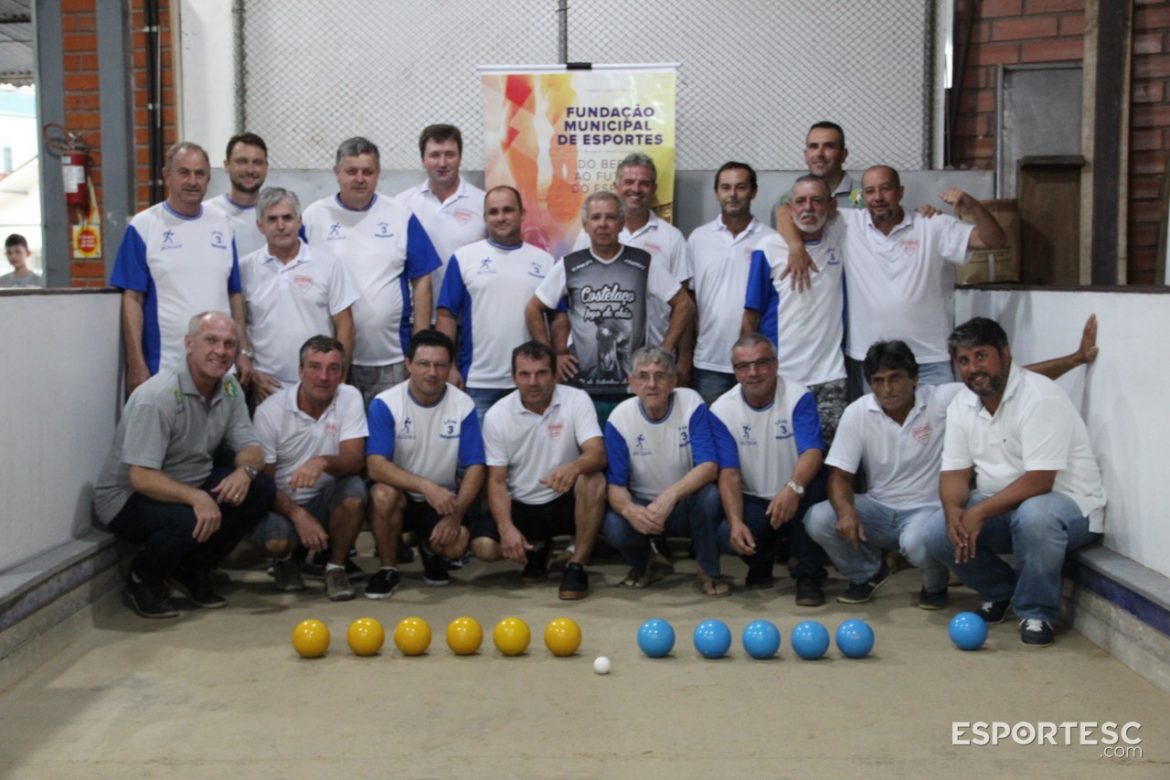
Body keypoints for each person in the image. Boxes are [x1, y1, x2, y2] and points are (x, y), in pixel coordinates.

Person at [805, 319, 1100, 610]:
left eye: (895, 378)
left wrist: (1075, 359)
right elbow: (842, 475)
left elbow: (1013, 381)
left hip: (1035, 505)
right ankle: (871, 575)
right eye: (878, 381)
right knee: (821, 518)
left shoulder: (948, 398)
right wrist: (846, 512)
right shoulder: (861, 412)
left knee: (936, 533)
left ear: (915, 378)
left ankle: (999, 604)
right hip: (880, 510)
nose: (888, 389)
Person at [925, 317, 1106, 647]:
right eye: (964, 361)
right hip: (1007, 509)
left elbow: (1039, 481)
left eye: (981, 356)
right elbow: (954, 474)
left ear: (1005, 355)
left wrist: (977, 514)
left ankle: (1036, 611)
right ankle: (1000, 591)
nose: (973, 368)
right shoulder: (961, 405)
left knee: (1035, 515)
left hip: (1071, 509)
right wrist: (954, 510)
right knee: (936, 530)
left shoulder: (1039, 396)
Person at [93, 311, 275, 618]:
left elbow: (253, 449)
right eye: (211, 341)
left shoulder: (229, 389)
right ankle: (143, 579)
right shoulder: (157, 396)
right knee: (187, 520)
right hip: (127, 499)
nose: (220, 351)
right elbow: (141, 477)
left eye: (229, 344)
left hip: (188, 483)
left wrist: (245, 472)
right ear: (189, 344)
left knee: (260, 489)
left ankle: (192, 568)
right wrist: (197, 497)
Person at [781, 165, 1007, 397]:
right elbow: (783, 210)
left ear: (900, 192)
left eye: (885, 189)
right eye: (870, 191)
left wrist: (971, 204)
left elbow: (995, 240)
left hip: (928, 358)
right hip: (872, 363)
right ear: (863, 196)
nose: (877, 197)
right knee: (878, 432)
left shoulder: (931, 224)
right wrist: (796, 245)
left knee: (938, 431)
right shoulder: (847, 224)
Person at [526, 191, 693, 422]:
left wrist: (665, 349)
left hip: (633, 384)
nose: (603, 224)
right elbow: (533, 308)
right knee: (591, 450)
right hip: (583, 384)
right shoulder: (571, 264)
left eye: (610, 217)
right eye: (596, 218)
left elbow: (684, 303)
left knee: (627, 453)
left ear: (621, 223)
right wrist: (552, 356)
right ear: (585, 224)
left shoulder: (643, 262)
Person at [301, 137, 442, 405]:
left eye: (367, 171)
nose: (360, 179)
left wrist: (419, 346)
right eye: (351, 171)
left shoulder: (400, 215)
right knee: (339, 439)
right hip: (329, 361)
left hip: (390, 357)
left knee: (389, 440)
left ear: (378, 174)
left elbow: (422, 279)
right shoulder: (313, 217)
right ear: (336, 173)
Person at [471, 341, 607, 599]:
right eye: (524, 374)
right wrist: (506, 528)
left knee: (594, 480)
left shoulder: (576, 399)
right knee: (484, 548)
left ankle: (576, 565)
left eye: (541, 373)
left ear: (555, 374)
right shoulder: (497, 416)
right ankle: (535, 549)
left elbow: (597, 453)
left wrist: (574, 467)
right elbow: (497, 482)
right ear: (513, 378)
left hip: (563, 499)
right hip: (521, 504)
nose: (533, 382)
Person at [111, 143, 245, 395]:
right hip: (164, 369)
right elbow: (132, 299)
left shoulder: (223, 225)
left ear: (208, 179)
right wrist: (136, 363)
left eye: (199, 174)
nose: (192, 181)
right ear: (166, 176)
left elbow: (234, 294)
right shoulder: (144, 226)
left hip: (221, 370)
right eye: (184, 172)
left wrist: (242, 352)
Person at [709, 334, 828, 603]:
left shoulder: (798, 397)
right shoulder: (721, 410)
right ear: (735, 372)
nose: (753, 373)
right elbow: (729, 472)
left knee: (819, 484)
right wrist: (736, 522)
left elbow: (812, 451)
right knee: (727, 532)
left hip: (796, 491)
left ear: (775, 364)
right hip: (755, 499)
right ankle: (760, 564)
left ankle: (808, 576)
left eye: (761, 363)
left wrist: (793, 488)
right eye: (743, 366)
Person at [365, 329, 485, 595]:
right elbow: (375, 465)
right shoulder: (385, 403)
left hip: (443, 501)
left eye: (440, 365)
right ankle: (388, 568)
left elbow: (476, 466)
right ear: (408, 365)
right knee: (382, 494)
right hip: (404, 496)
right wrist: (425, 486)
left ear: (449, 367)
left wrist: (455, 516)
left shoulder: (462, 405)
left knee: (457, 543)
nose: (432, 372)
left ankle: (430, 551)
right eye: (423, 364)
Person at [601, 346, 727, 595]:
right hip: (644, 505)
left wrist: (671, 496)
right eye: (643, 376)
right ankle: (646, 564)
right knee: (613, 523)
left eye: (660, 376)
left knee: (710, 496)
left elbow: (709, 467)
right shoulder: (619, 418)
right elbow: (615, 487)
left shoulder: (691, 402)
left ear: (673, 381)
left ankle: (707, 569)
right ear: (632, 383)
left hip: (684, 503)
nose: (652, 384)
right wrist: (631, 510)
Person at [251, 336, 368, 600]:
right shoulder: (269, 412)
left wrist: (322, 461)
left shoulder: (349, 397)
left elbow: (355, 460)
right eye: (315, 367)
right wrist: (298, 516)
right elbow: (264, 485)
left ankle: (335, 568)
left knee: (355, 491)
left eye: (333, 368)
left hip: (324, 500)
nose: (324, 376)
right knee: (277, 543)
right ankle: (285, 560)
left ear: (342, 374)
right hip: (281, 504)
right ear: (300, 371)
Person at [571, 153, 694, 383]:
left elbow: (684, 303)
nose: (635, 189)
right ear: (616, 186)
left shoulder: (672, 238)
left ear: (654, 188)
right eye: (629, 182)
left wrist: (678, 356)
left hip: (655, 362)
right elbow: (571, 294)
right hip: (600, 361)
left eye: (644, 183)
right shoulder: (588, 235)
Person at [744, 174, 847, 445]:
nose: (808, 208)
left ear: (832, 206)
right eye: (800, 201)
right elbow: (750, 315)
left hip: (830, 376)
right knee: (784, 456)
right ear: (791, 208)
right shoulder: (767, 248)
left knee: (832, 460)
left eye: (817, 201)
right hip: (783, 375)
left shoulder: (840, 238)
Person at [436, 186, 554, 421]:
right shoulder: (463, 258)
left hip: (531, 383)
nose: (501, 218)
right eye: (493, 212)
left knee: (528, 457)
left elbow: (558, 317)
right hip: (479, 382)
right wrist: (449, 366)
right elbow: (446, 315)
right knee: (480, 458)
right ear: (485, 217)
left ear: (522, 213)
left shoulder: (546, 261)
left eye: (508, 210)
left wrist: (557, 357)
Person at [237, 187, 358, 405]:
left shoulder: (327, 265)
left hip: (320, 386)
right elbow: (239, 325)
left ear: (300, 221)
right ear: (260, 226)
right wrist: (251, 373)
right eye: (272, 219)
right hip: (265, 388)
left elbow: (346, 326)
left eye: (287, 218)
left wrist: (337, 378)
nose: (281, 226)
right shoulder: (245, 269)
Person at [688, 162, 777, 404]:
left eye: (740, 187)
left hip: (756, 364)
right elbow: (691, 302)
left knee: (754, 433)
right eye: (726, 188)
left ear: (753, 191)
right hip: (709, 362)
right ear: (717, 193)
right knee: (712, 434)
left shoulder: (771, 240)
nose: (733, 194)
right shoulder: (698, 238)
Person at [397, 124, 487, 308]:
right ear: (423, 159)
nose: (442, 163)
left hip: (468, 318)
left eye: (449, 154)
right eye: (435, 155)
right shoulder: (402, 204)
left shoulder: (483, 203)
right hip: (419, 318)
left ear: (460, 158)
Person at [771, 121, 860, 229]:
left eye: (829, 146)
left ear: (844, 154)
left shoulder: (867, 196)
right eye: (813, 146)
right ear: (806, 155)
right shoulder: (786, 200)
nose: (819, 154)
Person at [203, 132, 270, 257]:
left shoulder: (278, 217)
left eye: (257, 162)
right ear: (226, 165)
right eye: (242, 161)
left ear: (266, 168)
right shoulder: (206, 213)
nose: (250, 170)